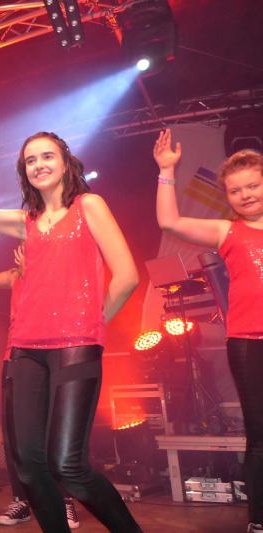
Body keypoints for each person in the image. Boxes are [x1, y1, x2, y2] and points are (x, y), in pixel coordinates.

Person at [0, 113, 140, 532]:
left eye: (47, 156)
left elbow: (127, 276)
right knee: (30, 467)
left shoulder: (89, 206)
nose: (39, 165)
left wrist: (92, 325)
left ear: (66, 163)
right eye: (30, 160)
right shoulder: (26, 222)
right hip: (25, 350)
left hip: (76, 346)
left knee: (68, 465)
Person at [154, 129, 263, 533]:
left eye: (253, 185)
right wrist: (167, 170)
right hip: (249, 343)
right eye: (236, 190)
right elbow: (169, 221)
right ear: (227, 196)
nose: (246, 194)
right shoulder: (226, 231)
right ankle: (259, 521)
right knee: (260, 434)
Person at [0, 244, 79, 529]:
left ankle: (64, 500)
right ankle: (21, 500)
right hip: (15, 357)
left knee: (52, 430)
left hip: (49, 358)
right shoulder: (14, 275)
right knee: (16, 434)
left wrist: (34, 273)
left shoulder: (57, 273)